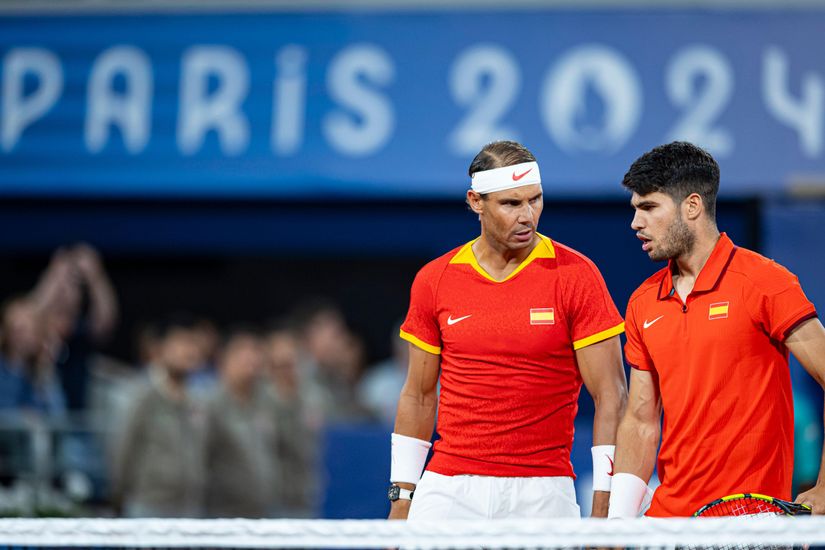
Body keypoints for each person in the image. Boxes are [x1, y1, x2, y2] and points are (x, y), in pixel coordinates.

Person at [389, 140, 628, 520]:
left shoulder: (578, 277)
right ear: (475, 202)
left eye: (535, 200)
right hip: (450, 489)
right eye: (511, 204)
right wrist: (402, 499)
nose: (528, 216)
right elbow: (418, 396)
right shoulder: (435, 279)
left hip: (544, 493)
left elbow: (612, 396)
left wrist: (605, 504)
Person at [607, 141, 825, 518]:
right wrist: (617, 523)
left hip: (752, 524)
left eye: (649, 207)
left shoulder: (765, 282)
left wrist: (824, 487)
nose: (636, 223)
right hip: (669, 523)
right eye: (635, 209)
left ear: (692, 206)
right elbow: (641, 420)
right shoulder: (642, 302)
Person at [109, 314, 206, 518]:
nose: (188, 350)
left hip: (189, 507)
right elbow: (123, 448)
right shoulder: (141, 394)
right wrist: (119, 497)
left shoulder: (197, 399)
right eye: (180, 342)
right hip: (149, 505)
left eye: (193, 344)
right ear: (159, 348)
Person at [204, 328, 280, 518]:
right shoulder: (208, 404)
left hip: (262, 510)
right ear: (223, 359)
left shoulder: (268, 402)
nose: (250, 359)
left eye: (255, 351)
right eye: (241, 352)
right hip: (220, 512)